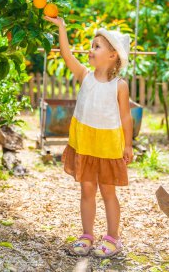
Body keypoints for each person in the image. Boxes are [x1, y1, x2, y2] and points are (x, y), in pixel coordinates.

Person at [43, 14, 134, 258]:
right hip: (84, 144)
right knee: (86, 191)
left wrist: (128, 145)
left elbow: (126, 118)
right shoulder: (85, 75)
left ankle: (113, 237)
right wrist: (61, 27)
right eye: (91, 46)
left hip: (107, 146)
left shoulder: (119, 85)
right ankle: (87, 235)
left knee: (108, 192)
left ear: (113, 55)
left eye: (96, 46)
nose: (90, 50)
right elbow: (66, 54)